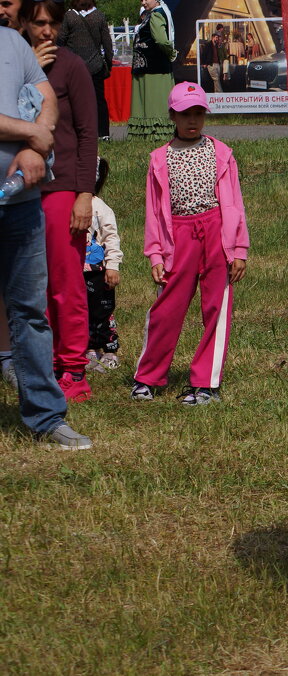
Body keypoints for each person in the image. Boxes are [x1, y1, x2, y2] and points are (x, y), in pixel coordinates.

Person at [0, 24, 92, 449]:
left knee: (30, 313)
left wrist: (37, 146)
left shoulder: (13, 43)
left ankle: (45, 417)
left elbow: (47, 98)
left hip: (20, 203)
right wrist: (29, 133)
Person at [132, 82, 249, 404]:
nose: (192, 120)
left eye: (198, 113)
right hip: (178, 238)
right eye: (184, 114)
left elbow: (235, 203)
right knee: (166, 309)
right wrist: (155, 254)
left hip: (216, 234)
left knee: (216, 308)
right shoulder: (159, 158)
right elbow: (154, 211)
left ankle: (205, 383)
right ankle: (148, 378)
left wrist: (238, 249)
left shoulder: (222, 153)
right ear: (172, 115)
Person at [26, 0, 99, 403]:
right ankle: (42, 364)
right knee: (28, 286)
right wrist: (28, 68)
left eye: (54, 23)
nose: (47, 32)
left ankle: (72, 367)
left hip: (62, 191)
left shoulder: (72, 67)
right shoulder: (14, 64)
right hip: (20, 190)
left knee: (64, 282)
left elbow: (90, 135)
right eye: (39, 23)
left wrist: (84, 194)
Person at [83, 157, 120, 372]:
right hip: (76, 271)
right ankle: (89, 349)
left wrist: (113, 265)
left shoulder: (99, 207)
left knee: (103, 311)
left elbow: (111, 237)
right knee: (82, 311)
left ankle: (109, 349)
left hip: (99, 272)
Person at [57, 0, 112, 141]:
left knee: (74, 101)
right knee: (99, 100)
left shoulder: (69, 17)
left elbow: (60, 41)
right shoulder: (99, 16)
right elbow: (107, 44)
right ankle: (103, 133)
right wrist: (109, 64)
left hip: (74, 67)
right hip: (96, 65)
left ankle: (75, 132)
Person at [128, 0, 175, 140]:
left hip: (154, 68)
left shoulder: (157, 15)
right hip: (147, 67)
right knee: (147, 100)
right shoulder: (153, 14)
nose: (142, 3)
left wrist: (171, 52)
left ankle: (156, 134)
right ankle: (147, 133)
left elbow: (161, 39)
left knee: (153, 101)